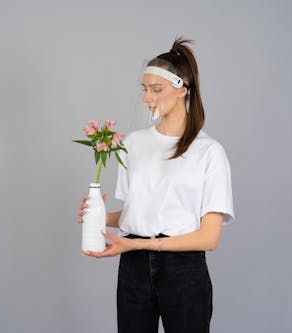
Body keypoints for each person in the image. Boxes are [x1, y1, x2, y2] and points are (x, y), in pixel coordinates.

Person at [77, 37, 234, 333]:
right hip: (134, 270)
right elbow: (135, 214)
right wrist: (99, 216)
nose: (147, 97)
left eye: (156, 89)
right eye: (144, 89)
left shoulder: (209, 152)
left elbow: (209, 238)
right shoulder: (134, 143)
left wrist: (139, 243)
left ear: (182, 89)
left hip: (183, 271)